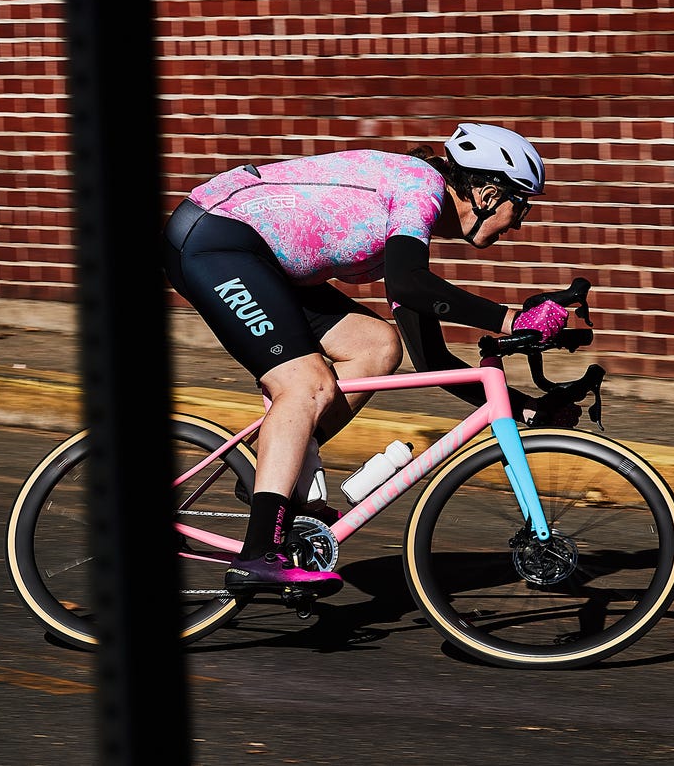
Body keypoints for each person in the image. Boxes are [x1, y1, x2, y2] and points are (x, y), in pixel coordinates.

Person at [161, 122, 576, 593]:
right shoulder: (419, 187)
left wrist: (527, 409)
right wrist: (511, 320)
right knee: (305, 384)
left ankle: (277, 468)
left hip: (263, 262)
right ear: (485, 192)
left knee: (377, 346)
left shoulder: (409, 224)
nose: (518, 223)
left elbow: (433, 361)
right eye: (518, 206)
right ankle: (259, 554)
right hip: (216, 243)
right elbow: (409, 285)